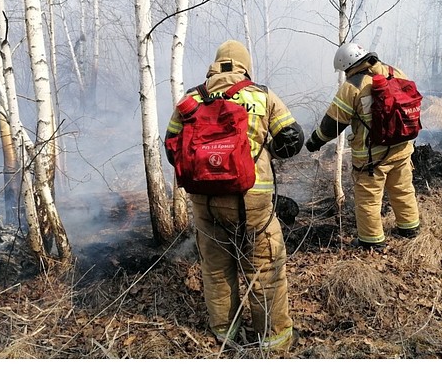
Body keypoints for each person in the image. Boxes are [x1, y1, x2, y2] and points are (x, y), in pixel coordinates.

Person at [164, 40, 304, 353]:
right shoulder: (261, 94)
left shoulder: (190, 99)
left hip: (204, 202)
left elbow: (171, 147)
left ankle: (226, 333)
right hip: (252, 200)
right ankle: (274, 342)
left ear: (215, 64)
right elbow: (292, 139)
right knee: (265, 269)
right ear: (245, 65)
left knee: (215, 269)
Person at [305, 41, 421, 251]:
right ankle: (409, 227)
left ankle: (371, 240)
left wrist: (315, 141)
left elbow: (333, 123)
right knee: (403, 190)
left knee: (368, 199)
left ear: (348, 65)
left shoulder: (353, 86)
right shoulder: (395, 72)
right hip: (402, 148)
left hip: (371, 157)